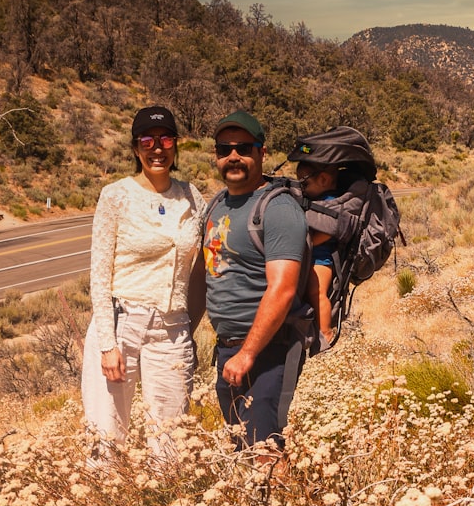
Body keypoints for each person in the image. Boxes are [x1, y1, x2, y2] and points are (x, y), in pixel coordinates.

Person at [81, 105, 206, 460]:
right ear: (136, 147)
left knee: (169, 441)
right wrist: (108, 343)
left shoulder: (192, 197)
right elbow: (99, 274)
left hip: (172, 330)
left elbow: (207, 262)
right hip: (122, 326)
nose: (157, 148)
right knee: (106, 437)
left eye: (166, 138)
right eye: (147, 140)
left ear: (176, 145)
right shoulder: (116, 196)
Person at [202, 110, 309, 449]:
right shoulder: (217, 205)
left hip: (267, 351)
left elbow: (283, 288)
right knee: (241, 450)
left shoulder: (277, 210)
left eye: (244, 148)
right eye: (224, 149)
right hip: (228, 352)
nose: (233, 156)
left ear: (262, 153)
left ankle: (285, 502)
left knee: (265, 451)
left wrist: (248, 353)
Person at [296, 161, 340, 347]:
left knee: (317, 293)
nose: (301, 188)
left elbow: (329, 230)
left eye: (304, 183)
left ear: (323, 179)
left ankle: (326, 332)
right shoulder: (315, 200)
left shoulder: (331, 201)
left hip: (321, 259)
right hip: (310, 257)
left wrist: (309, 243)